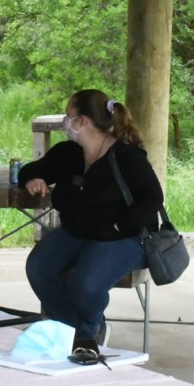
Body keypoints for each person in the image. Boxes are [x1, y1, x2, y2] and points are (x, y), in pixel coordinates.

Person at [19, 89, 163, 353]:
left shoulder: (126, 156)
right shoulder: (69, 153)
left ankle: (90, 329)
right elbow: (30, 169)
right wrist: (31, 178)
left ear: (82, 121)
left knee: (86, 283)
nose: (66, 122)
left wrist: (120, 226)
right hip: (79, 231)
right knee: (39, 267)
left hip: (123, 237)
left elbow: (153, 198)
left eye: (68, 116)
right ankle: (74, 329)